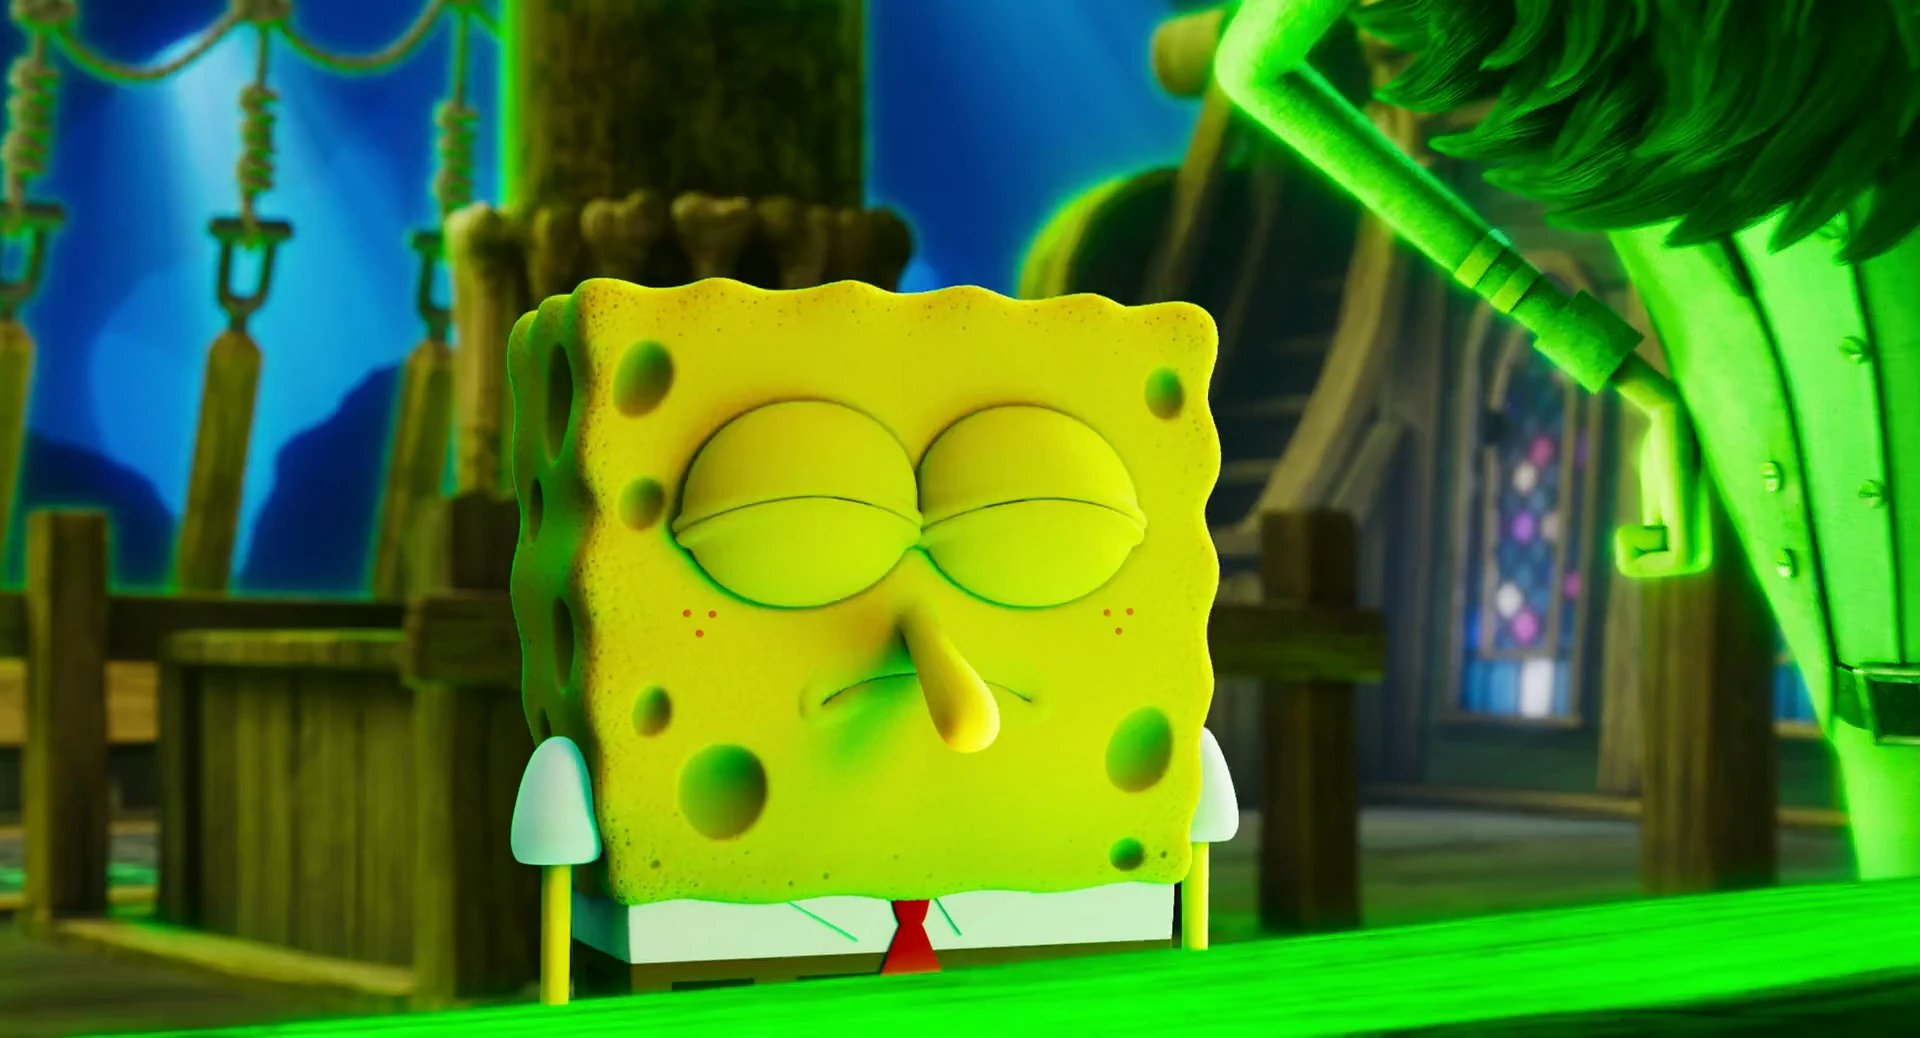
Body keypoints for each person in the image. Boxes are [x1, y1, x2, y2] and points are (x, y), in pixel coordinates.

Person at [1216, 0, 1920, 878]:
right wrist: (1604, 357)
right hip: (1769, 392)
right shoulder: (1644, 68)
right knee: (1882, 758)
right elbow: (1254, 68)